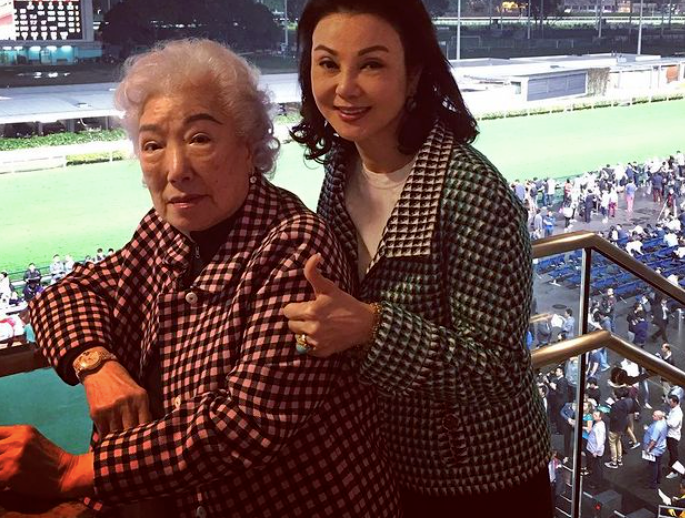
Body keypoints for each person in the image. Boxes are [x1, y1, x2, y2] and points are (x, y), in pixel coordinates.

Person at [0, 39, 398, 517]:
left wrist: (73, 471)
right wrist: (96, 365)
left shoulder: (295, 247)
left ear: (249, 147)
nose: (175, 170)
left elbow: (245, 424)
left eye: (200, 139)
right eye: (153, 145)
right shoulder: (164, 230)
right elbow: (67, 292)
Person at [285, 0, 552, 516]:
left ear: (413, 76)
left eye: (372, 64)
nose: (345, 87)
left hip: (482, 479)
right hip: (382, 466)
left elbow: (497, 368)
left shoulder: (471, 191)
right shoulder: (341, 168)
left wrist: (370, 327)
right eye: (328, 63)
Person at [643, 410, 668, 490]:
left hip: (654, 449)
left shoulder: (657, 427)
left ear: (659, 417)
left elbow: (653, 440)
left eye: (654, 415)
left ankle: (652, 483)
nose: (652, 416)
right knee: (658, 463)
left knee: (653, 466)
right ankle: (658, 478)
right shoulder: (664, 422)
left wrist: (648, 449)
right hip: (661, 446)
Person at [586, 410, 606, 490]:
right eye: (593, 414)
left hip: (595, 451)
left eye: (595, 415)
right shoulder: (599, 424)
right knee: (596, 466)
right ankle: (596, 481)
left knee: (597, 467)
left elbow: (600, 441)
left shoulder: (599, 427)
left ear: (600, 417)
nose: (593, 416)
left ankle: (597, 483)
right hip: (593, 449)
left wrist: (596, 452)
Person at [665, 395, 684, 480]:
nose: (669, 403)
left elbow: (673, 424)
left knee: (674, 454)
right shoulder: (673, 409)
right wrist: (666, 417)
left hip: (673, 436)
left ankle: (675, 471)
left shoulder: (678, 413)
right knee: (671, 451)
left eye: (671, 402)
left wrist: (665, 420)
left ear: (675, 402)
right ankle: (671, 465)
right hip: (670, 434)